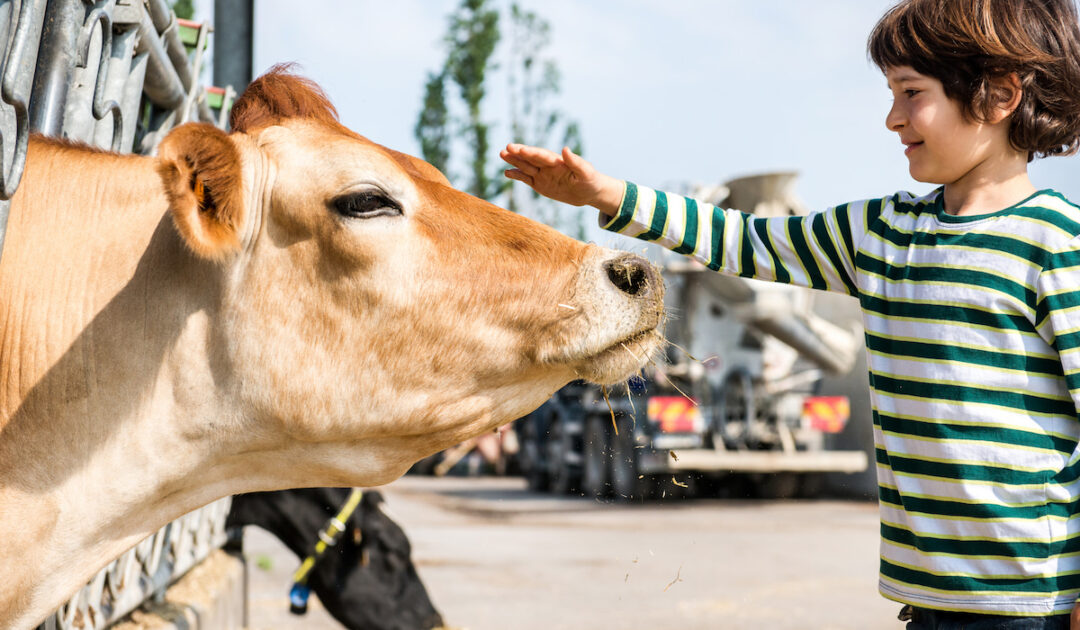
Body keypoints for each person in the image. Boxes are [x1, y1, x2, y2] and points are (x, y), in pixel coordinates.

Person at [500, 0, 1080, 628]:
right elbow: (741, 239)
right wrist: (607, 195)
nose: (892, 118)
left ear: (998, 95)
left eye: (912, 93)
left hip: (1031, 601)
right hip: (926, 598)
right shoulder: (881, 232)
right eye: (890, 93)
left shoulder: (1056, 246)